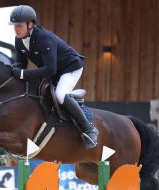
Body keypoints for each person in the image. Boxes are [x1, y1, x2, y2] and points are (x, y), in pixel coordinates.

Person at [8, 5, 98, 149]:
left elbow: (50, 70)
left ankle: (89, 129)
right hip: (55, 70)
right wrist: (14, 70)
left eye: (19, 25)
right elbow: (21, 63)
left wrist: (23, 74)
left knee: (60, 95)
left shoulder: (44, 38)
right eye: (14, 25)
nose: (15, 29)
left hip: (70, 67)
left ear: (30, 24)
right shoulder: (19, 39)